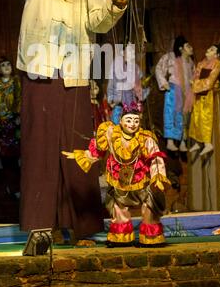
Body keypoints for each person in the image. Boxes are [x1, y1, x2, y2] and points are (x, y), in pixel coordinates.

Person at [17, 0, 127, 241]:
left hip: (75, 74)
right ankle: (40, 228)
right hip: (41, 71)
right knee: (40, 149)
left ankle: (81, 227)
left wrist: (115, 6)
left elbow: (99, 22)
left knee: (80, 150)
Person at [62, 101, 171, 247]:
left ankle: (151, 237)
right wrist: (82, 156)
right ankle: (122, 237)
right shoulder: (111, 134)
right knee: (119, 208)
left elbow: (156, 157)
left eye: (136, 120)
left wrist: (158, 176)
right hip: (120, 181)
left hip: (141, 182)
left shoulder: (146, 139)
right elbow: (98, 151)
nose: (132, 124)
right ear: (120, 121)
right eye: (128, 120)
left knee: (149, 207)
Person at [155, 35, 194, 152]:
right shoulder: (171, 57)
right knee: (171, 113)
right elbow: (159, 68)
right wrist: (163, 82)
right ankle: (170, 141)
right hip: (174, 88)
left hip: (186, 91)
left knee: (184, 116)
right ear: (181, 48)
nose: (191, 48)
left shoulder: (190, 62)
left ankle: (182, 141)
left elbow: (194, 75)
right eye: (188, 46)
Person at [0, 56, 21, 197]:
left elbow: (19, 99)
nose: (6, 67)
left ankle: (19, 188)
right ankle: (11, 188)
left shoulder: (16, 81)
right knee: (5, 159)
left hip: (15, 123)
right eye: (3, 65)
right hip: (1, 125)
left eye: (8, 64)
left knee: (17, 158)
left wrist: (18, 117)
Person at [189, 44, 220, 156]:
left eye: (212, 49)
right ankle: (198, 142)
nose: (208, 50)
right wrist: (194, 83)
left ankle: (208, 143)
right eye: (209, 48)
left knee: (205, 118)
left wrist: (195, 85)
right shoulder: (201, 64)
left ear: (217, 55)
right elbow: (195, 77)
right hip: (198, 94)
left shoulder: (217, 64)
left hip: (208, 95)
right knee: (196, 117)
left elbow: (210, 81)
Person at [107, 43, 149, 125]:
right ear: (123, 52)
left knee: (131, 125)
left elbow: (139, 86)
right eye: (128, 51)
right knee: (117, 127)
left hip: (131, 102)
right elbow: (111, 85)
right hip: (119, 103)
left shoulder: (135, 67)